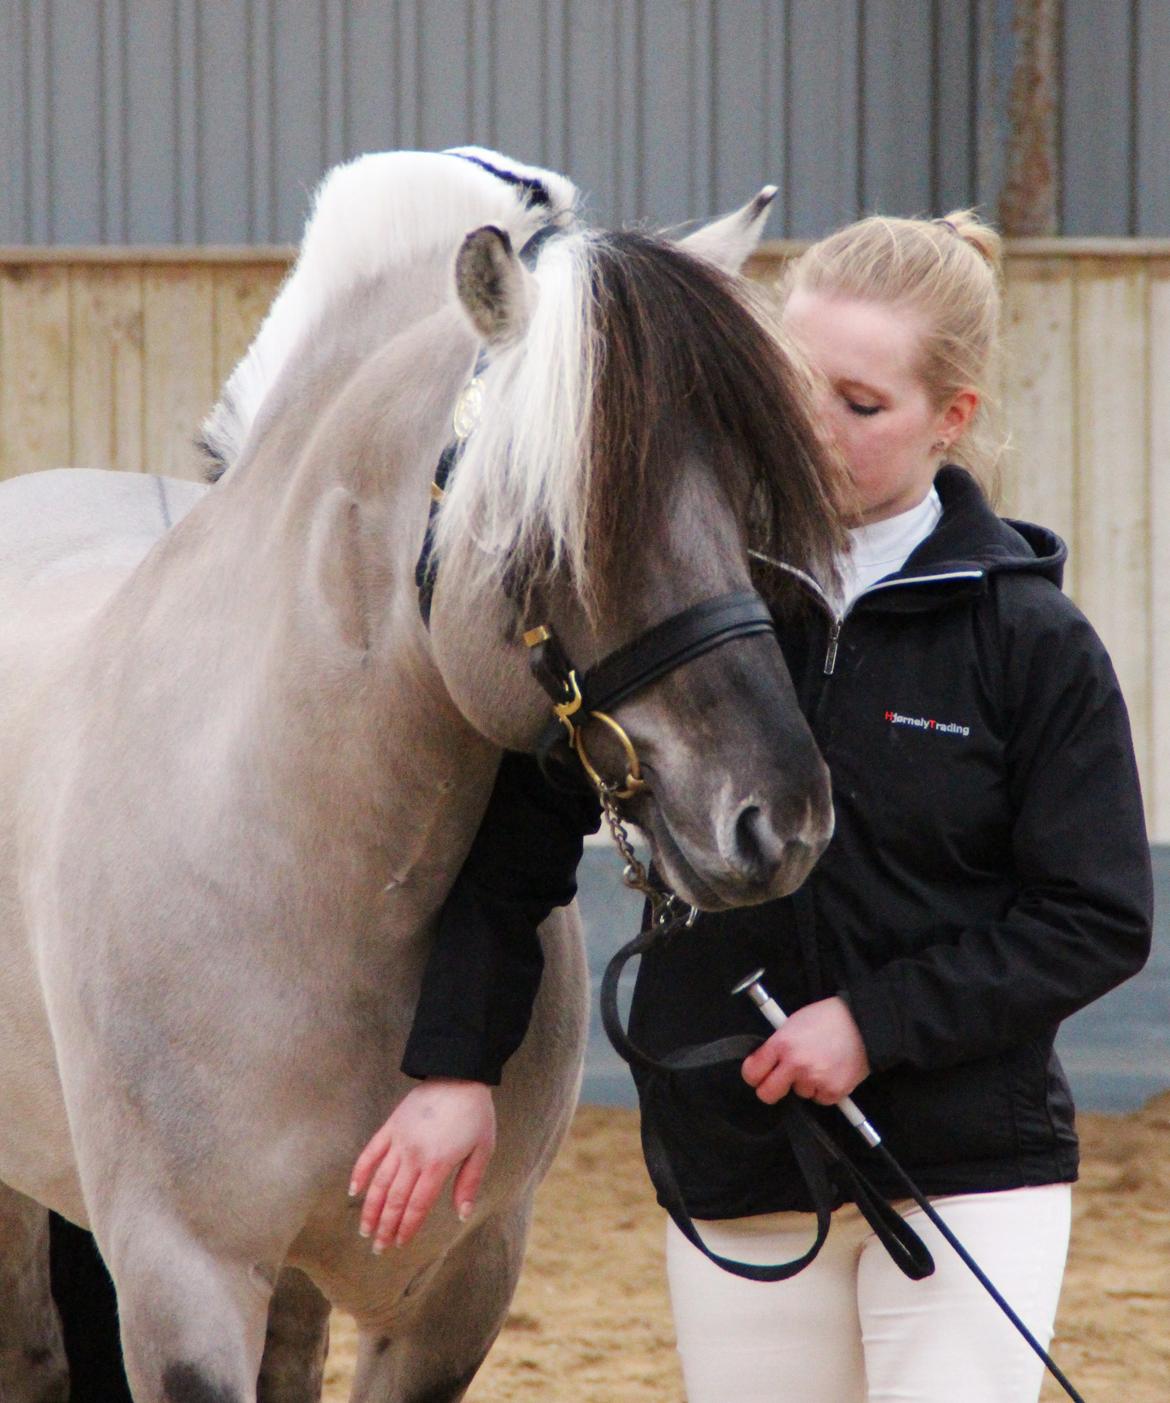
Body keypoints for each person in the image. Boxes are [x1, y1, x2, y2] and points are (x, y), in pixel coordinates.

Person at [357, 207, 1154, 1403]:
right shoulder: (674, 595)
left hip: (964, 1166)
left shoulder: (1027, 639)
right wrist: (455, 1069)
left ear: (954, 419)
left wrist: (873, 1024)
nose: (813, 429)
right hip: (732, 1156)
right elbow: (518, 840)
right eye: (793, 386)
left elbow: (1094, 916)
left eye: (862, 403)